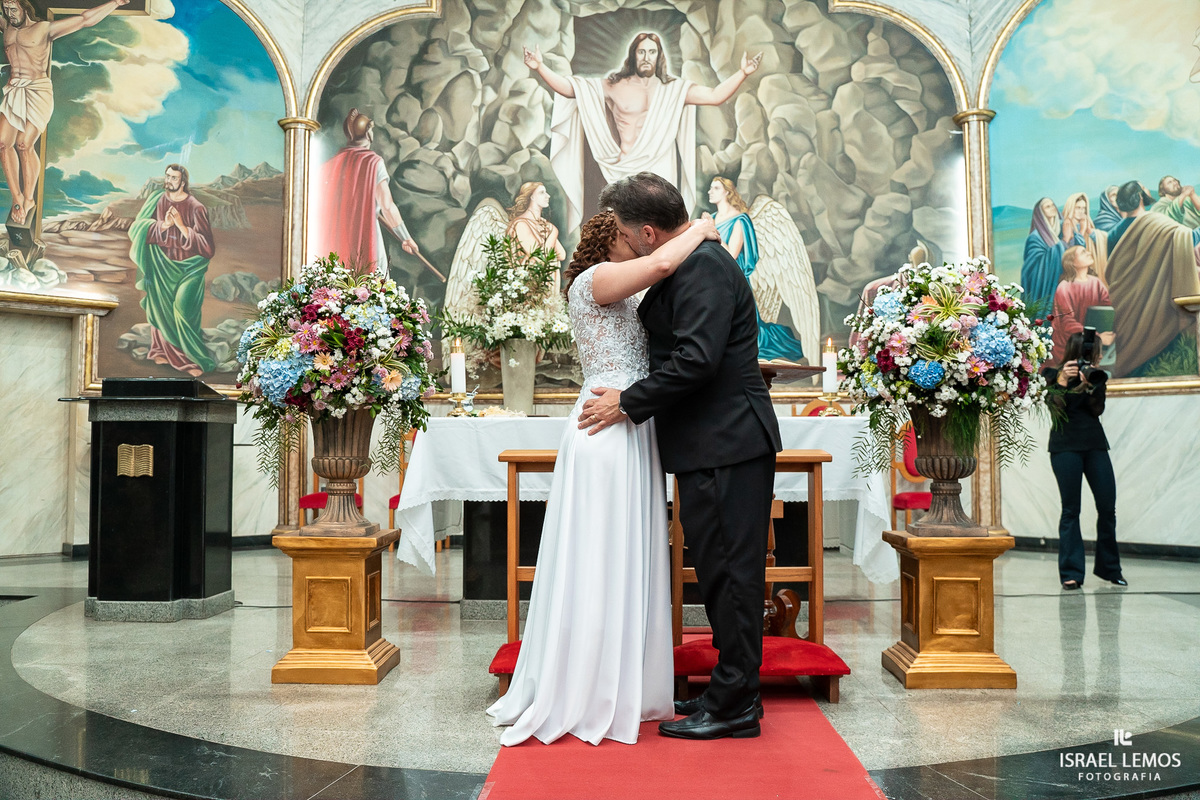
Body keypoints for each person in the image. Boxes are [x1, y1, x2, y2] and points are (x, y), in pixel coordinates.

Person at [486, 210, 721, 746]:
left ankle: (625, 683)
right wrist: (699, 230)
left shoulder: (624, 286)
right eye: (631, 235)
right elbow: (662, 262)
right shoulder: (594, 280)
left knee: (630, 552)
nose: (642, 243)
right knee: (599, 552)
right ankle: (588, 687)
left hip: (634, 423)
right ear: (612, 239)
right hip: (605, 425)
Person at [581, 172, 782, 741]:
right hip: (711, 443)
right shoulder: (696, 261)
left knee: (732, 575)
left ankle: (737, 703)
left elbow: (696, 359)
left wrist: (628, 402)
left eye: (620, 231)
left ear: (646, 232)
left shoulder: (704, 269)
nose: (617, 239)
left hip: (728, 442)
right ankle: (731, 691)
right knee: (719, 572)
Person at [525, 33, 761, 231]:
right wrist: (540, 67)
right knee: (624, 229)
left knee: (658, 229)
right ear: (633, 55)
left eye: (652, 52)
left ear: (659, 56)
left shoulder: (674, 90)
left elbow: (715, 96)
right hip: (620, 168)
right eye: (641, 52)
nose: (646, 57)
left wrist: (743, 73)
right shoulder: (615, 85)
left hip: (659, 166)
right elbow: (571, 89)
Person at [0, 0, 128, 224]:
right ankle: (17, 198)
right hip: (14, 90)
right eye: (6, 10)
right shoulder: (7, 27)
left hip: (37, 90)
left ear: (24, 7)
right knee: (2, 143)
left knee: (23, 144)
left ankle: (28, 198)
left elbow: (85, 20)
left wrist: (117, 2)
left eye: (13, 9)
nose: (10, 14)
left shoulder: (43, 29)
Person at [1042, 333, 1124, 590]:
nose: (1100, 356)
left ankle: (1109, 569)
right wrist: (1063, 381)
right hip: (1065, 448)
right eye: (1097, 352)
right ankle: (1071, 573)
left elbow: (1096, 409)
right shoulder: (1051, 375)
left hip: (1095, 446)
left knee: (1107, 507)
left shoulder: (1096, 376)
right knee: (1071, 510)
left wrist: (1090, 384)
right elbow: (1056, 409)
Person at [1104, 180, 1200, 377]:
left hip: (1124, 304)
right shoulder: (1155, 222)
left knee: (1131, 353)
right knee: (1159, 352)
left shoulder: (1112, 233)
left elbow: (1115, 269)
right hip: (1156, 304)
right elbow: (1188, 239)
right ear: (1140, 198)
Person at [128, 164, 216, 376]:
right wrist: (165, 225)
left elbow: (207, 246)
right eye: (167, 176)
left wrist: (181, 225)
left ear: (182, 182)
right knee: (160, 305)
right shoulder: (158, 200)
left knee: (182, 309)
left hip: (190, 267)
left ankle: (192, 358)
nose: (168, 181)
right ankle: (161, 350)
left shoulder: (196, 207)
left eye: (173, 178)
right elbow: (137, 227)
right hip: (161, 263)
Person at [705, 176, 805, 361]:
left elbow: (732, 255)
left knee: (742, 330)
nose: (710, 191)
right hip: (714, 280)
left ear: (727, 192)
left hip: (734, 281)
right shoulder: (711, 218)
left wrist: (710, 229)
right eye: (711, 188)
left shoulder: (740, 219)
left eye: (716, 188)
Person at [312, 108, 417, 272]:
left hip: (336, 240)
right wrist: (406, 238)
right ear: (368, 133)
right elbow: (387, 206)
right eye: (371, 129)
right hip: (366, 238)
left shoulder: (328, 166)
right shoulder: (374, 163)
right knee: (372, 288)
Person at [1051, 245, 1114, 363]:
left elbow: (1107, 308)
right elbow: (1066, 322)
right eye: (1083, 252)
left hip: (1093, 341)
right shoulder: (1064, 287)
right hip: (1071, 344)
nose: (1089, 253)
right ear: (1072, 262)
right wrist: (1098, 336)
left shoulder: (1096, 283)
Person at [506, 181, 567, 288]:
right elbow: (542, 258)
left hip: (547, 286)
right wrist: (554, 232)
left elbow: (561, 255)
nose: (548, 196)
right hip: (532, 287)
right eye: (542, 192)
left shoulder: (544, 225)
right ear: (532, 197)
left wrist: (550, 230)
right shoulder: (521, 224)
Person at [1021, 197, 1066, 313]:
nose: (1052, 208)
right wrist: (1059, 246)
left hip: (1060, 280)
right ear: (1040, 213)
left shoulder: (1060, 229)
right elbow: (1030, 267)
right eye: (1047, 206)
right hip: (1043, 285)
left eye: (1052, 205)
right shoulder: (1035, 237)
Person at [1061, 192, 1109, 285]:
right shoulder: (1066, 225)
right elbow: (1073, 250)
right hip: (1072, 272)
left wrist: (1090, 232)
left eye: (1083, 208)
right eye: (1078, 208)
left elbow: (1097, 243)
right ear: (1071, 208)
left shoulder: (1086, 223)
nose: (1081, 211)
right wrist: (1082, 231)